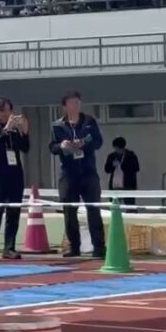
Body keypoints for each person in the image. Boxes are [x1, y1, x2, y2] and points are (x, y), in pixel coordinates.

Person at [49, 91, 106, 258]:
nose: (75, 106)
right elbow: (52, 147)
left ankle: (99, 247)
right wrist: (62, 146)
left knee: (93, 208)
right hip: (68, 172)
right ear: (65, 106)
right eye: (71, 103)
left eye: (77, 102)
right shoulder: (58, 125)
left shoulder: (89, 121)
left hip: (88, 171)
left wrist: (84, 143)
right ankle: (74, 246)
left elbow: (98, 142)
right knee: (69, 210)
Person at [0, 97, 30, 261]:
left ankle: (9, 247)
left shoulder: (13, 129)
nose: (7, 114)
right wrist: (6, 130)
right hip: (0, 174)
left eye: (9, 110)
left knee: (14, 210)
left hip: (16, 172)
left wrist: (24, 131)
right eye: (4, 111)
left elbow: (25, 148)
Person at [104, 137, 140, 206]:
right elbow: (106, 170)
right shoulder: (112, 156)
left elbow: (136, 168)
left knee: (130, 205)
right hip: (115, 185)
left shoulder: (131, 155)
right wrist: (112, 165)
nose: (116, 150)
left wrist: (123, 166)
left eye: (117, 148)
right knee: (115, 206)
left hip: (128, 185)